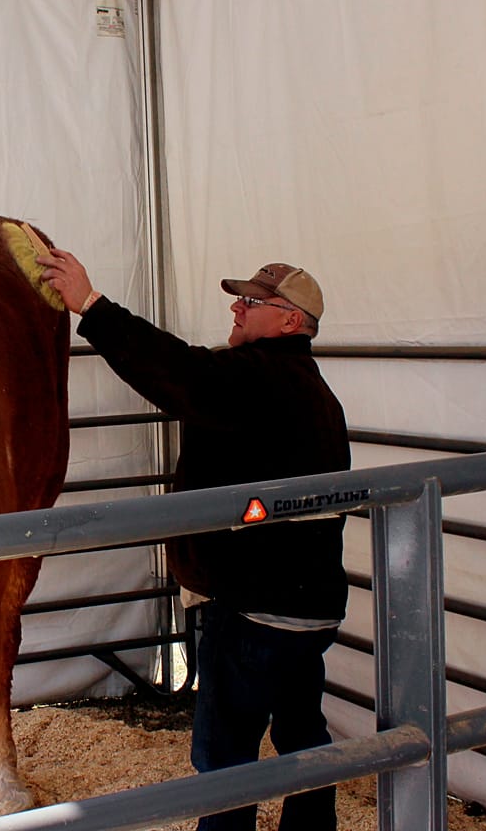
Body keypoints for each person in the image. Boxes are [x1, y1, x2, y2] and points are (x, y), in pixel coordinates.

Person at [38, 251, 350, 831]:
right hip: (308, 607)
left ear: (290, 322)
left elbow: (177, 372)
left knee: (224, 756)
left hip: (255, 608)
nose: (237, 306)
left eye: (253, 301)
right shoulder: (313, 391)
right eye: (240, 296)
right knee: (303, 737)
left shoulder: (258, 378)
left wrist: (92, 306)